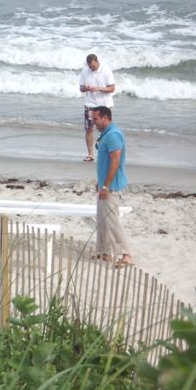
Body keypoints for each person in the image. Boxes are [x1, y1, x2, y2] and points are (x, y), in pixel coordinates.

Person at [91, 106, 133, 267]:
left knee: (112, 221)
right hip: (105, 183)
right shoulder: (106, 134)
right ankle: (104, 252)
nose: (93, 122)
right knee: (102, 220)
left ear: (105, 118)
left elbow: (115, 161)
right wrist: (100, 182)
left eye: (95, 119)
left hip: (111, 186)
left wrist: (106, 186)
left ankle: (126, 255)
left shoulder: (113, 135)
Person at [79, 54, 115, 162]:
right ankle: (90, 154)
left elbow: (112, 88)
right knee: (89, 129)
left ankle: (108, 153)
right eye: (90, 66)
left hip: (105, 105)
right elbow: (81, 88)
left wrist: (98, 89)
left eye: (93, 66)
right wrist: (86, 88)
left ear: (97, 61)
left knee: (107, 130)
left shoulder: (106, 70)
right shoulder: (85, 71)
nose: (91, 68)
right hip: (90, 104)